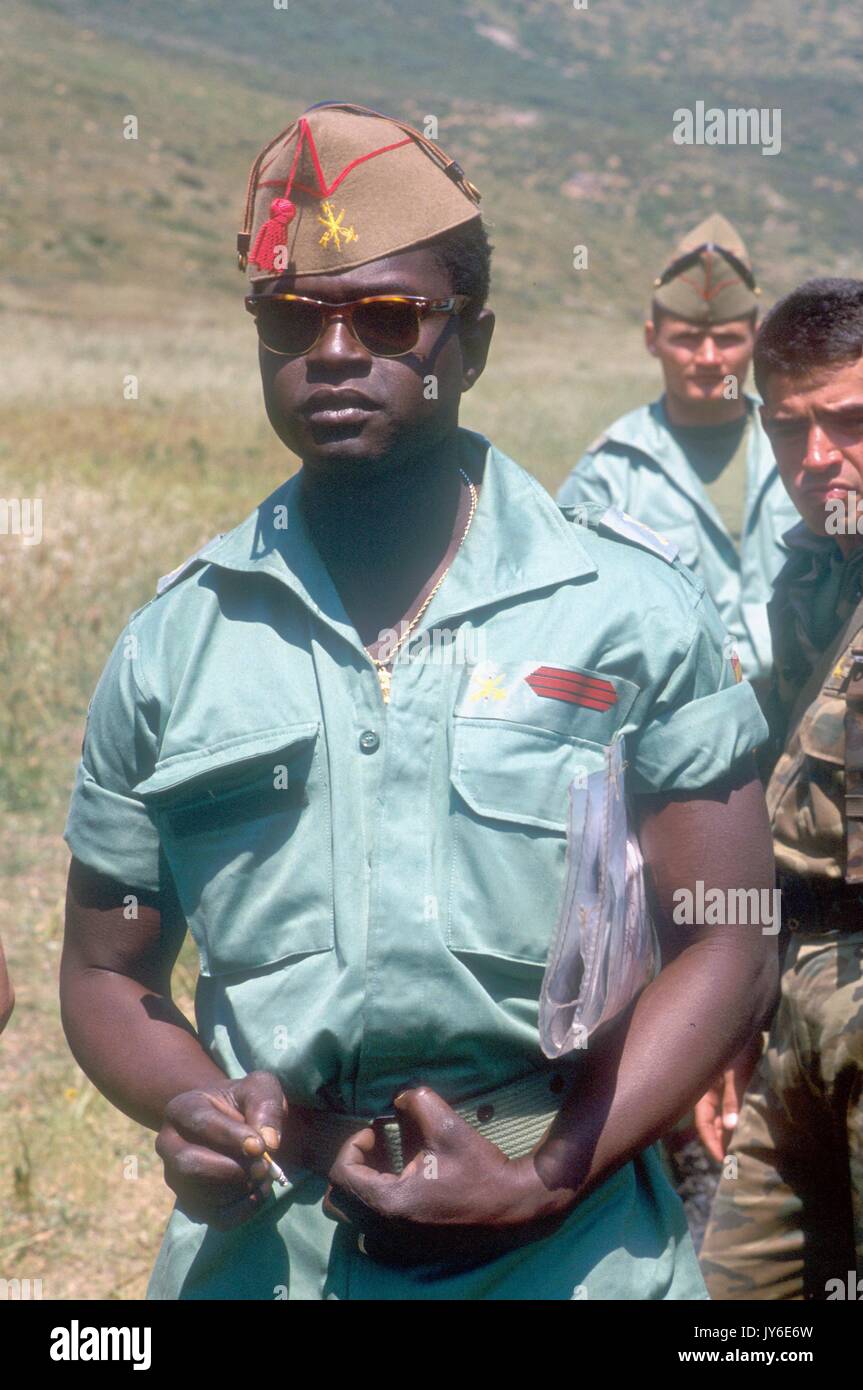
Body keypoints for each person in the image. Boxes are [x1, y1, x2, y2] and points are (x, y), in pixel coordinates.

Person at [60, 102, 775, 1301]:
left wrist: (546, 1170)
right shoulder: (173, 645)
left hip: (573, 1245)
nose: (335, 351)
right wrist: (187, 1098)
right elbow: (102, 972)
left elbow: (729, 934)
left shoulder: (628, 615)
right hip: (271, 1250)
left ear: (471, 344)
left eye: (389, 317)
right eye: (293, 317)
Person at [699, 279, 863, 1300]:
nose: (816, 461)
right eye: (788, 428)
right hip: (794, 988)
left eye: (848, 423)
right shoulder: (811, 575)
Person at [557, 214, 799, 698]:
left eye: (728, 338)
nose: (709, 357)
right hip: (679, 715)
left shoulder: (798, 445)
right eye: (687, 337)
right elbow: (570, 611)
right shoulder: (613, 468)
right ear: (653, 339)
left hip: (801, 702)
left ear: (755, 343)